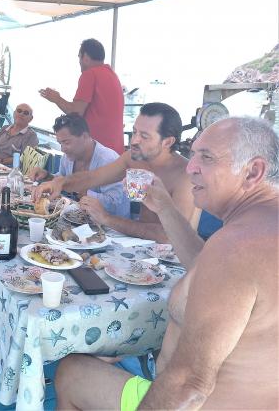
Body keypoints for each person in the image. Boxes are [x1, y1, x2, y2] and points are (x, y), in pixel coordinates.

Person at [54, 117, 279, 410]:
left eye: (206, 158)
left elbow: (189, 385)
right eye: (194, 154)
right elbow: (204, 265)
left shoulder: (236, 246)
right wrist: (165, 208)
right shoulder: (258, 231)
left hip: (198, 403)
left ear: (253, 171)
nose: (190, 167)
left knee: (70, 373)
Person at [34, 103, 196, 245]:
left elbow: (169, 236)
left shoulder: (185, 176)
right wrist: (59, 182)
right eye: (134, 132)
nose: (133, 141)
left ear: (168, 142)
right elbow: (92, 177)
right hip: (138, 244)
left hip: (171, 257)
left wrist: (107, 219)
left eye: (144, 136)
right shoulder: (133, 158)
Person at [29, 113, 130, 218]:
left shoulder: (108, 160)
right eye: (60, 143)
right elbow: (61, 180)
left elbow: (117, 204)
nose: (63, 149)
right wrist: (46, 176)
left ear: (85, 136)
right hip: (78, 219)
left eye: (66, 142)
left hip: (111, 228)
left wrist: (82, 191)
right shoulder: (67, 157)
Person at [39, 38, 124, 154]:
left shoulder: (89, 74)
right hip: (115, 152)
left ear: (86, 57)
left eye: (79, 57)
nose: (79, 61)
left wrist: (56, 99)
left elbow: (76, 113)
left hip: (97, 152)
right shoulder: (112, 75)